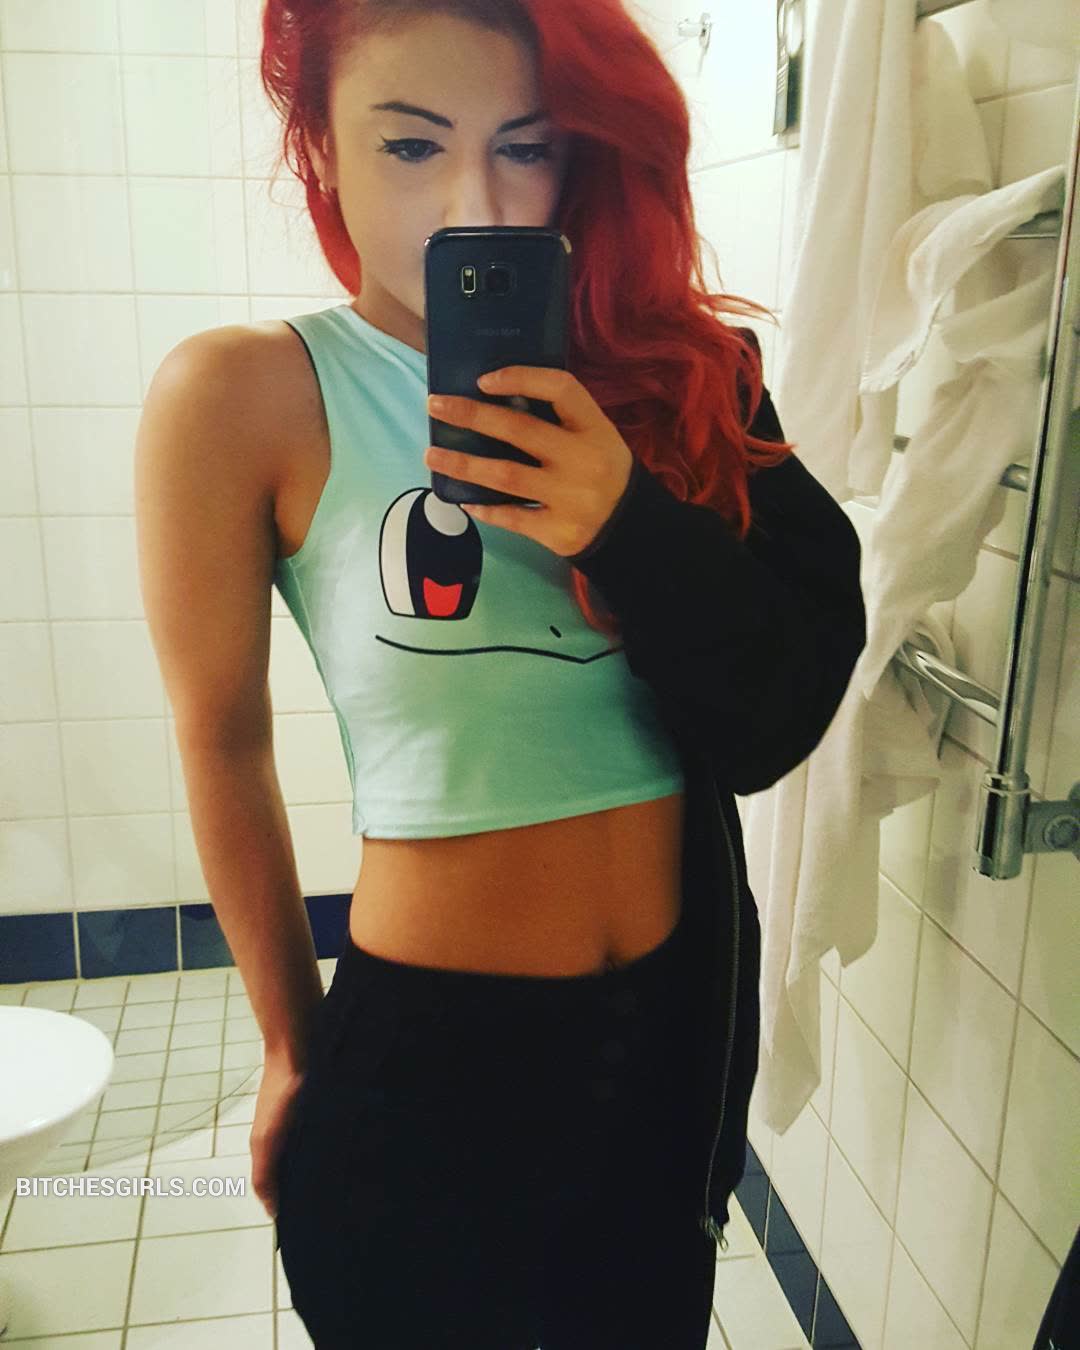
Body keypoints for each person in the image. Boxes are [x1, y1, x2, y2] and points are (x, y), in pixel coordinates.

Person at [134, 1, 867, 1346]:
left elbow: (779, 713)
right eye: (412, 145)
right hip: (428, 1071)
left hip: (667, 1057)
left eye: (526, 147)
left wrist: (625, 518)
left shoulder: (679, 377)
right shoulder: (243, 397)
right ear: (321, 148)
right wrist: (289, 1040)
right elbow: (221, 739)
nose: (478, 203)